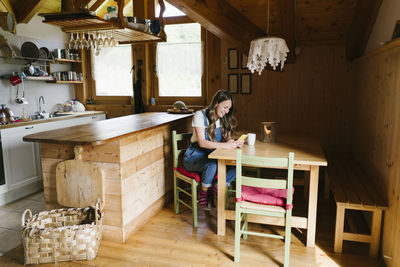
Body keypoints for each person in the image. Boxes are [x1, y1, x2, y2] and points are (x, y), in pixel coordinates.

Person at [183, 90, 244, 210]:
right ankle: (205, 192)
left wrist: (233, 142)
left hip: (212, 154)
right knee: (213, 164)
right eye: (225, 107)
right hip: (194, 156)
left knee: (237, 164)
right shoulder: (200, 115)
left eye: (228, 109)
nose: (227, 111)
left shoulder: (222, 118)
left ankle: (218, 186)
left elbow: (227, 138)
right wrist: (225, 146)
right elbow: (202, 142)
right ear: (216, 103)